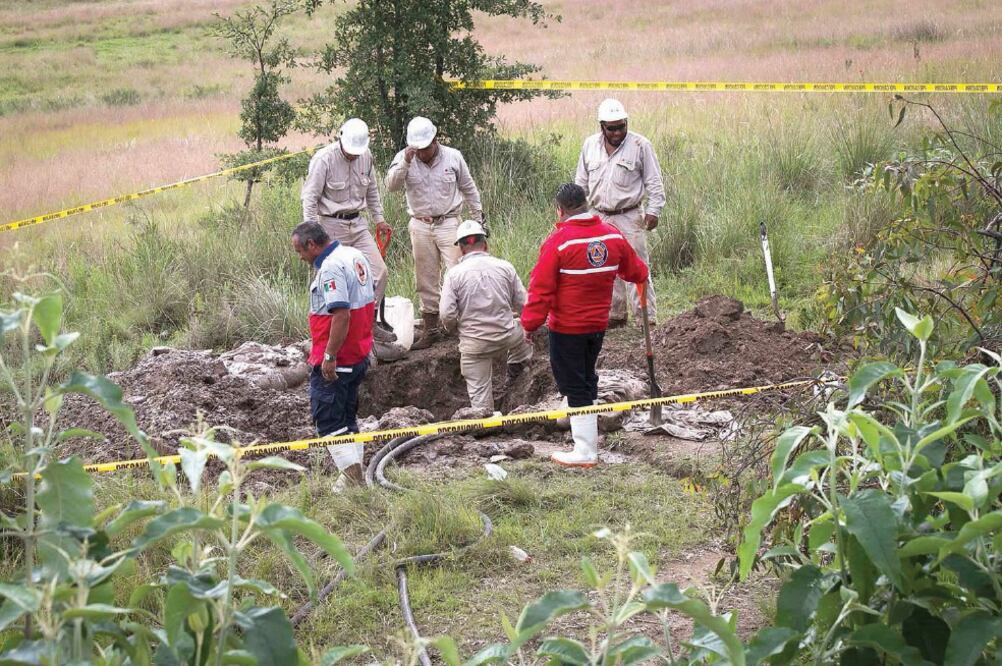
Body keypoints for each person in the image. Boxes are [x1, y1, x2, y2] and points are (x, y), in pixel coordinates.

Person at [521, 183, 649, 468]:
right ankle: (584, 433)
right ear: (586, 204)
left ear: (560, 210)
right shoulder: (611, 235)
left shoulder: (559, 242)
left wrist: (529, 324)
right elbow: (637, 271)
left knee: (574, 383)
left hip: (567, 327)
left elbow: (541, 290)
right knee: (586, 377)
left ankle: (586, 451)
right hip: (597, 325)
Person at [385, 116, 484, 349]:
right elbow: (391, 186)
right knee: (425, 276)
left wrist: (478, 218)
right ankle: (431, 328)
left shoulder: (453, 156)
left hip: (449, 221)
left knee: (458, 271)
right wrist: (406, 163)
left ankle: (464, 323)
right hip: (420, 223)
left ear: (435, 140)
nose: (421, 153)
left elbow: (469, 187)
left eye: (425, 148)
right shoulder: (404, 158)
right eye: (417, 149)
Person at [291, 221, 375, 491]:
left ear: (312, 245)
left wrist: (329, 355)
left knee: (328, 419)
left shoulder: (330, 268)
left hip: (341, 357)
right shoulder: (353, 254)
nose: (300, 257)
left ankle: (354, 479)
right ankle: (353, 478)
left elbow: (341, 314)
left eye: (300, 251)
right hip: (358, 351)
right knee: (347, 419)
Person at [302, 117, 395, 342]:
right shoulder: (324, 159)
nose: (353, 155)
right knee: (334, 280)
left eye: (357, 151)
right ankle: (330, 334)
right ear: (341, 138)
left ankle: (368, 324)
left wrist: (379, 219)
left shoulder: (366, 157)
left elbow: (372, 190)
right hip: (331, 227)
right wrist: (312, 231)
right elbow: (310, 197)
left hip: (358, 224)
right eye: (350, 151)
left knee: (379, 272)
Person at [574, 98, 665, 327]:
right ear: (602, 127)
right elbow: (581, 183)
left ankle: (646, 317)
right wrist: (578, 216)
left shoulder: (640, 145)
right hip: (599, 215)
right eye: (611, 128)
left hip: (630, 215)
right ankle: (615, 313)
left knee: (637, 266)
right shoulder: (589, 146)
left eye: (621, 126)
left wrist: (654, 210)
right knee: (603, 263)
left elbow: (654, 182)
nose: (617, 132)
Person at [440, 220, 533, 415]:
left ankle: (486, 422)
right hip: (507, 336)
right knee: (524, 332)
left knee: (480, 405)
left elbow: (447, 314)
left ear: (462, 249)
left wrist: (457, 330)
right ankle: (518, 368)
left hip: (475, 347)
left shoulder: (454, 275)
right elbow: (524, 305)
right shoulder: (505, 267)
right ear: (486, 244)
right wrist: (528, 327)